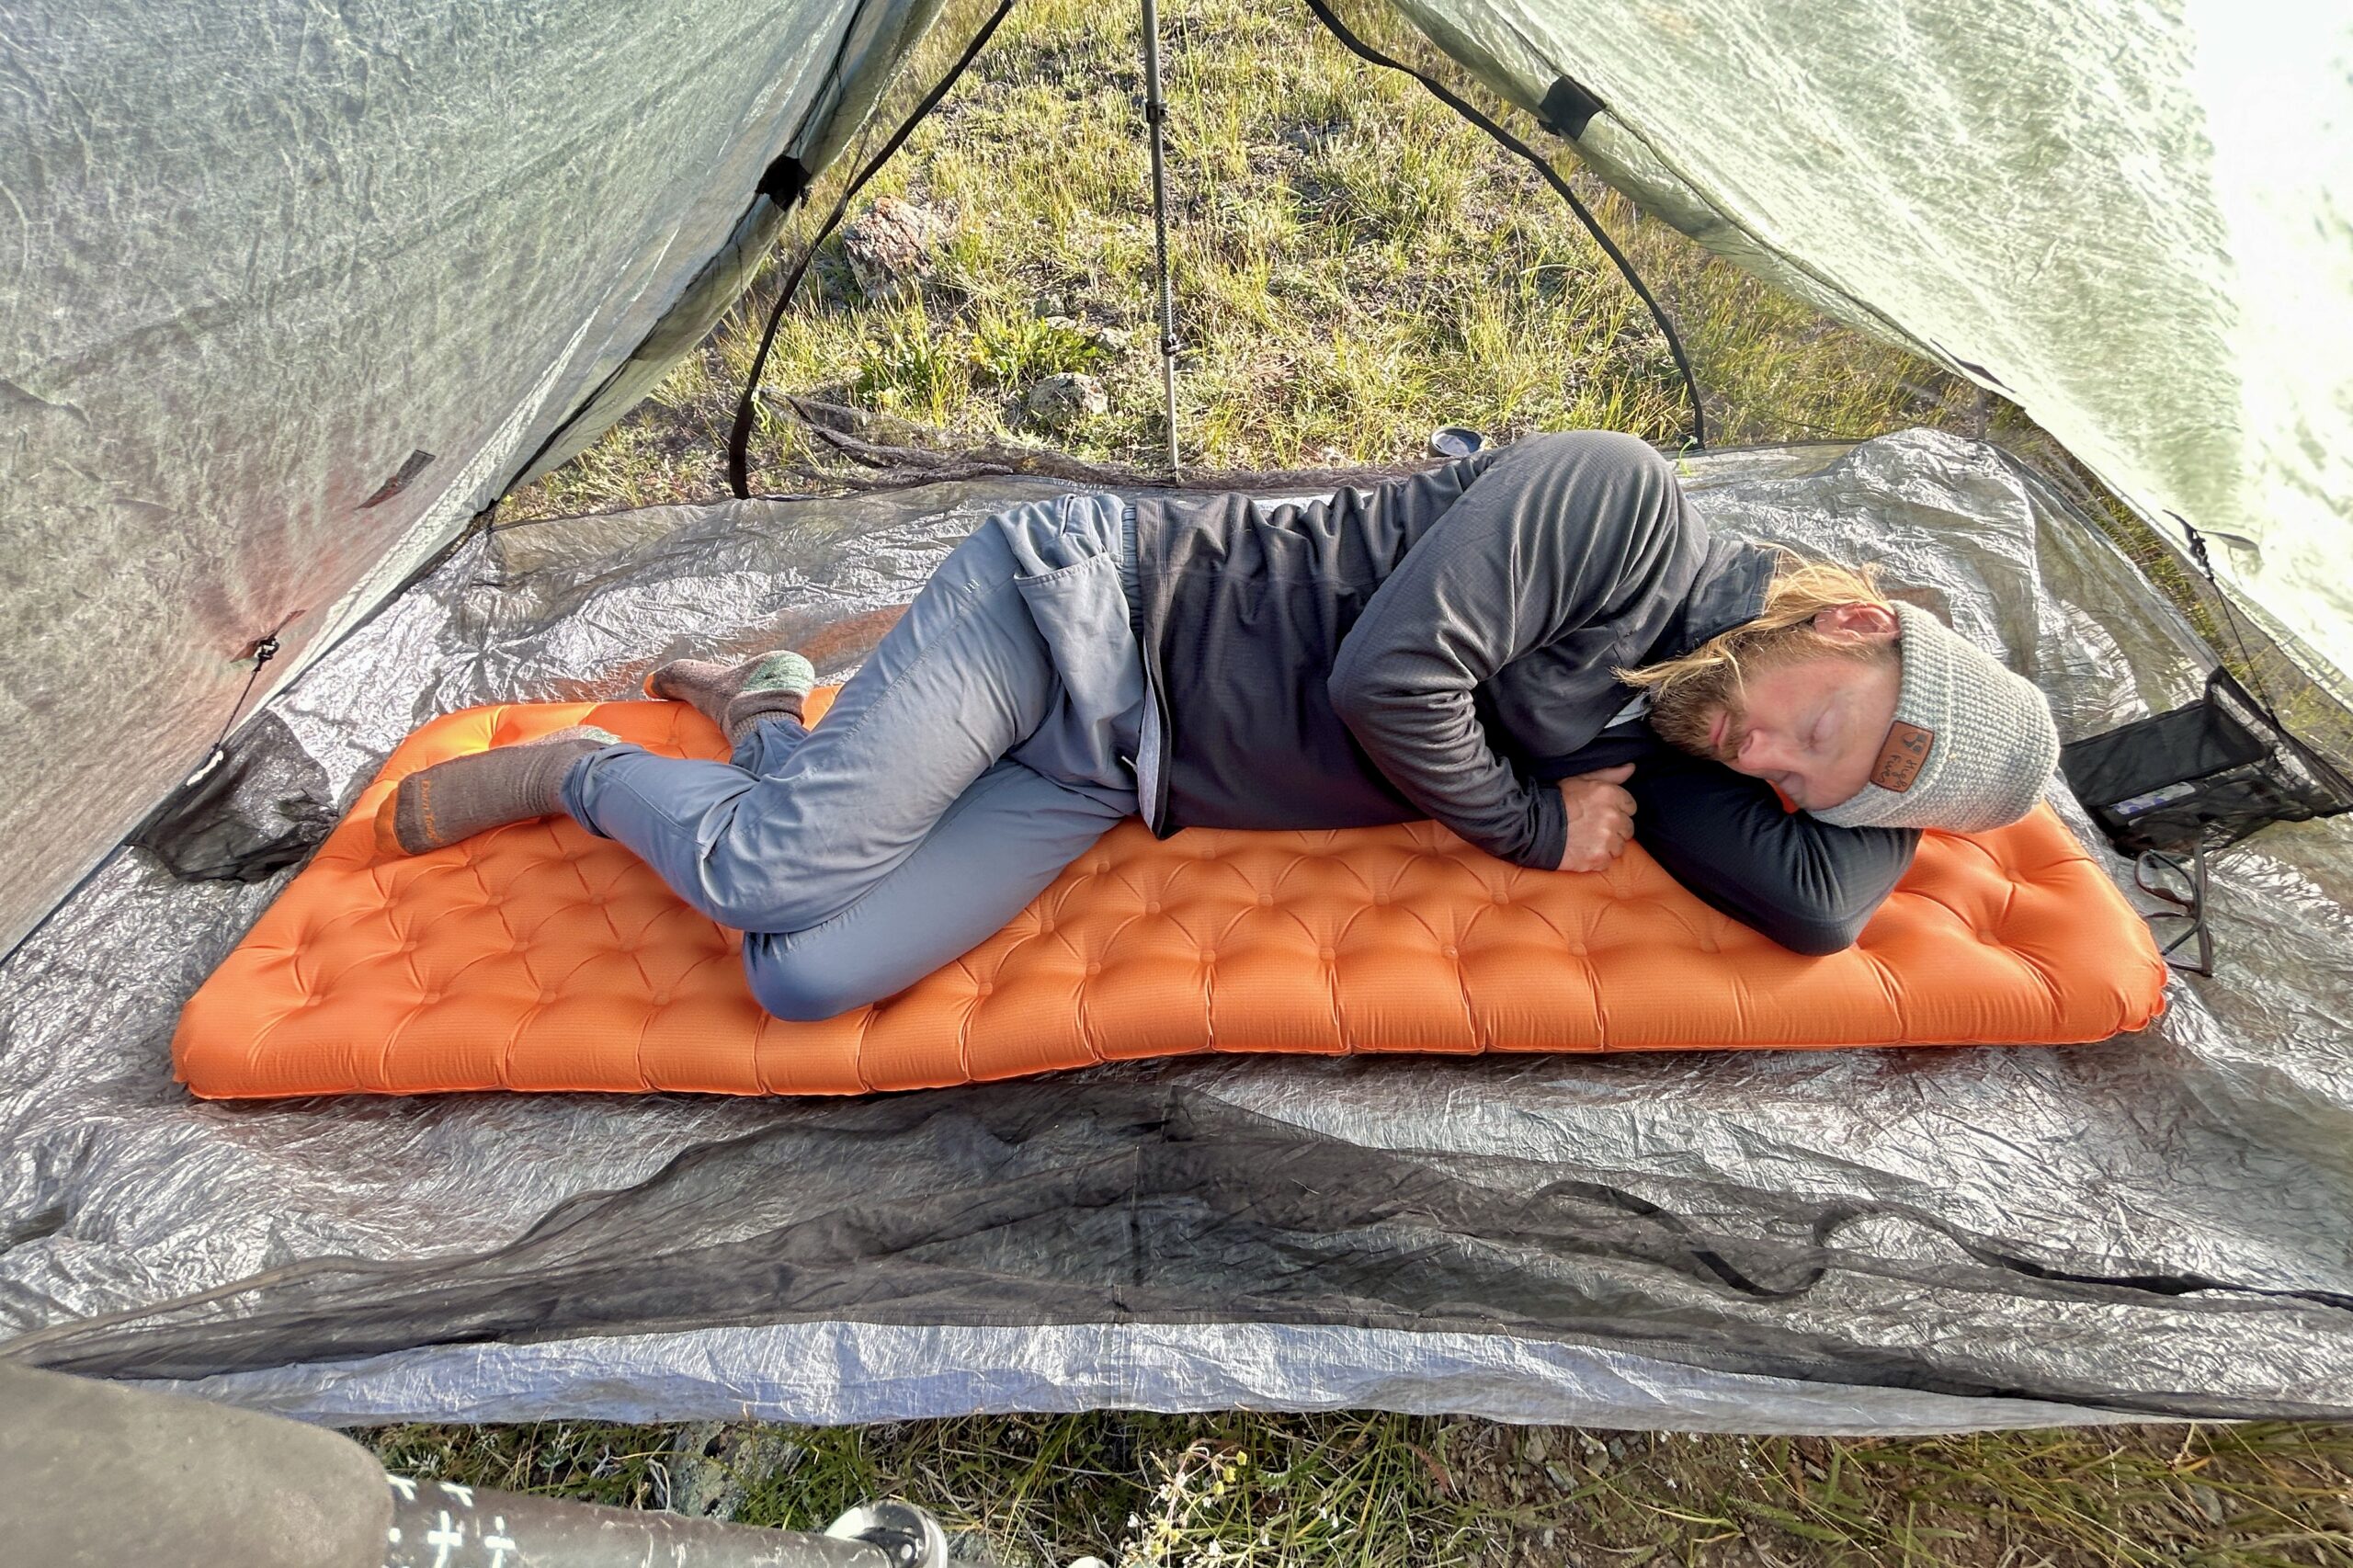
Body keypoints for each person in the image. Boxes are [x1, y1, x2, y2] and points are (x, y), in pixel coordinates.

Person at [377, 431, 2061, 1020]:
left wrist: (1895, 789)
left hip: (1120, 775)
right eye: (1810, 719)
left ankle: (763, 709)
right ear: (1848, 615)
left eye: (1800, 776)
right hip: (1071, 616)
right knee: (766, 880)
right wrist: (1540, 825)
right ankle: (587, 777)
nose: (1764, 762)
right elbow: (1384, 686)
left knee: (802, 975)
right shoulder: (1612, 501)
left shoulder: (1689, 720)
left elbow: (1820, 906)